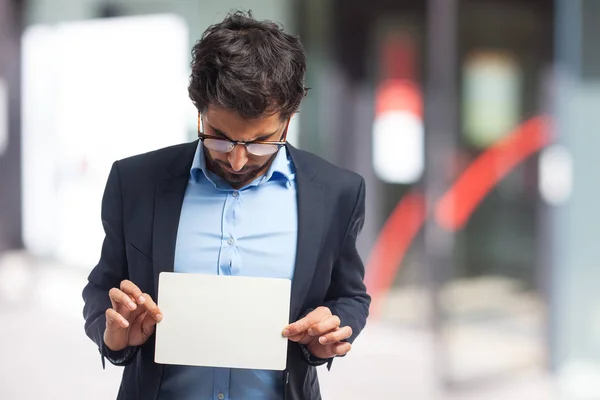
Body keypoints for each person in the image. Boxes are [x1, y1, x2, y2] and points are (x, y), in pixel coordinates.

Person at [82, 10, 370, 400]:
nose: (237, 160)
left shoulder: (338, 192)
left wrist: (331, 329)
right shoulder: (135, 182)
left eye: (260, 142)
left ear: (289, 118)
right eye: (218, 137)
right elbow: (103, 286)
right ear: (198, 109)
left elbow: (351, 296)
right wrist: (113, 335)